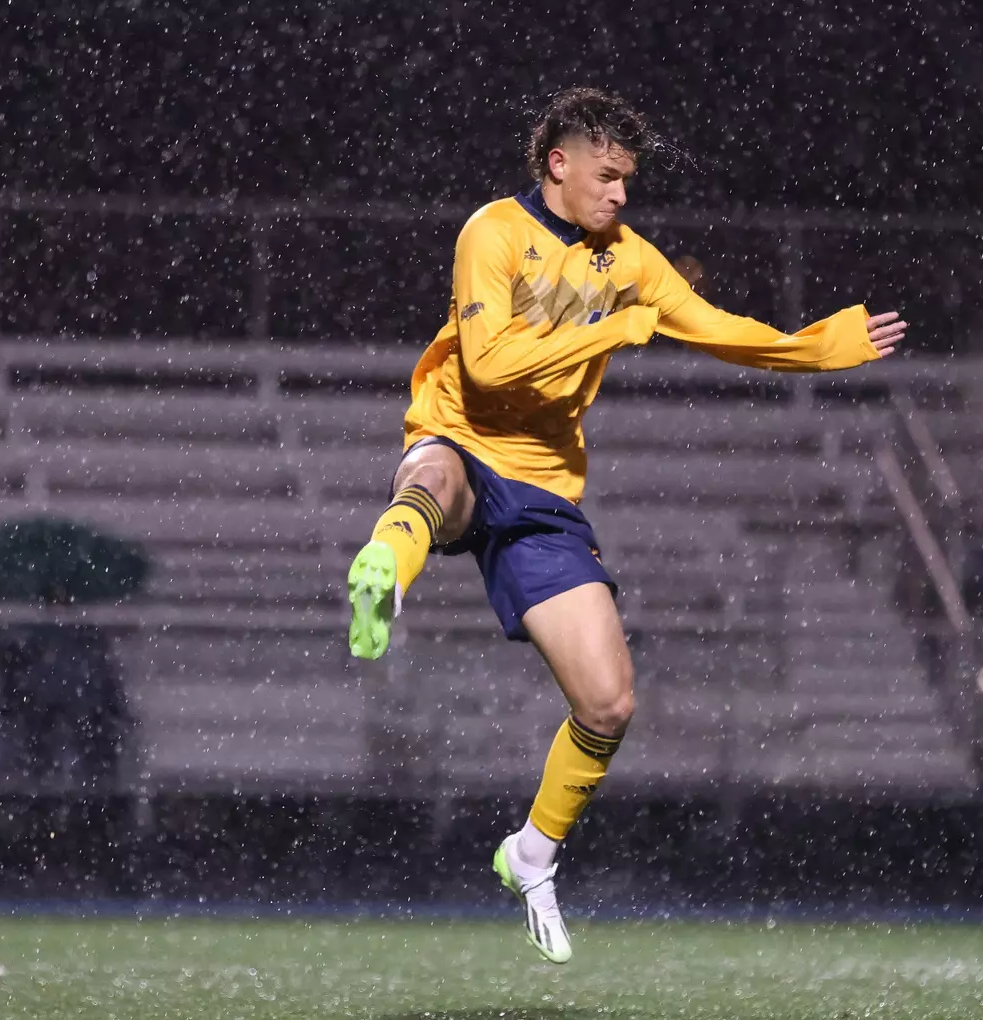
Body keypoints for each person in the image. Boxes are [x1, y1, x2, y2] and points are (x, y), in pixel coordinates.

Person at [345, 87, 906, 963]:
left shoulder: (629, 260)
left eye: (628, 181)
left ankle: (530, 852)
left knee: (609, 703)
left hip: (544, 495)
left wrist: (816, 347)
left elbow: (716, 328)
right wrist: (610, 332)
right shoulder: (491, 233)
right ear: (558, 165)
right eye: (607, 177)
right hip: (460, 435)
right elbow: (488, 368)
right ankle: (381, 567)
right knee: (434, 475)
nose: (620, 196)